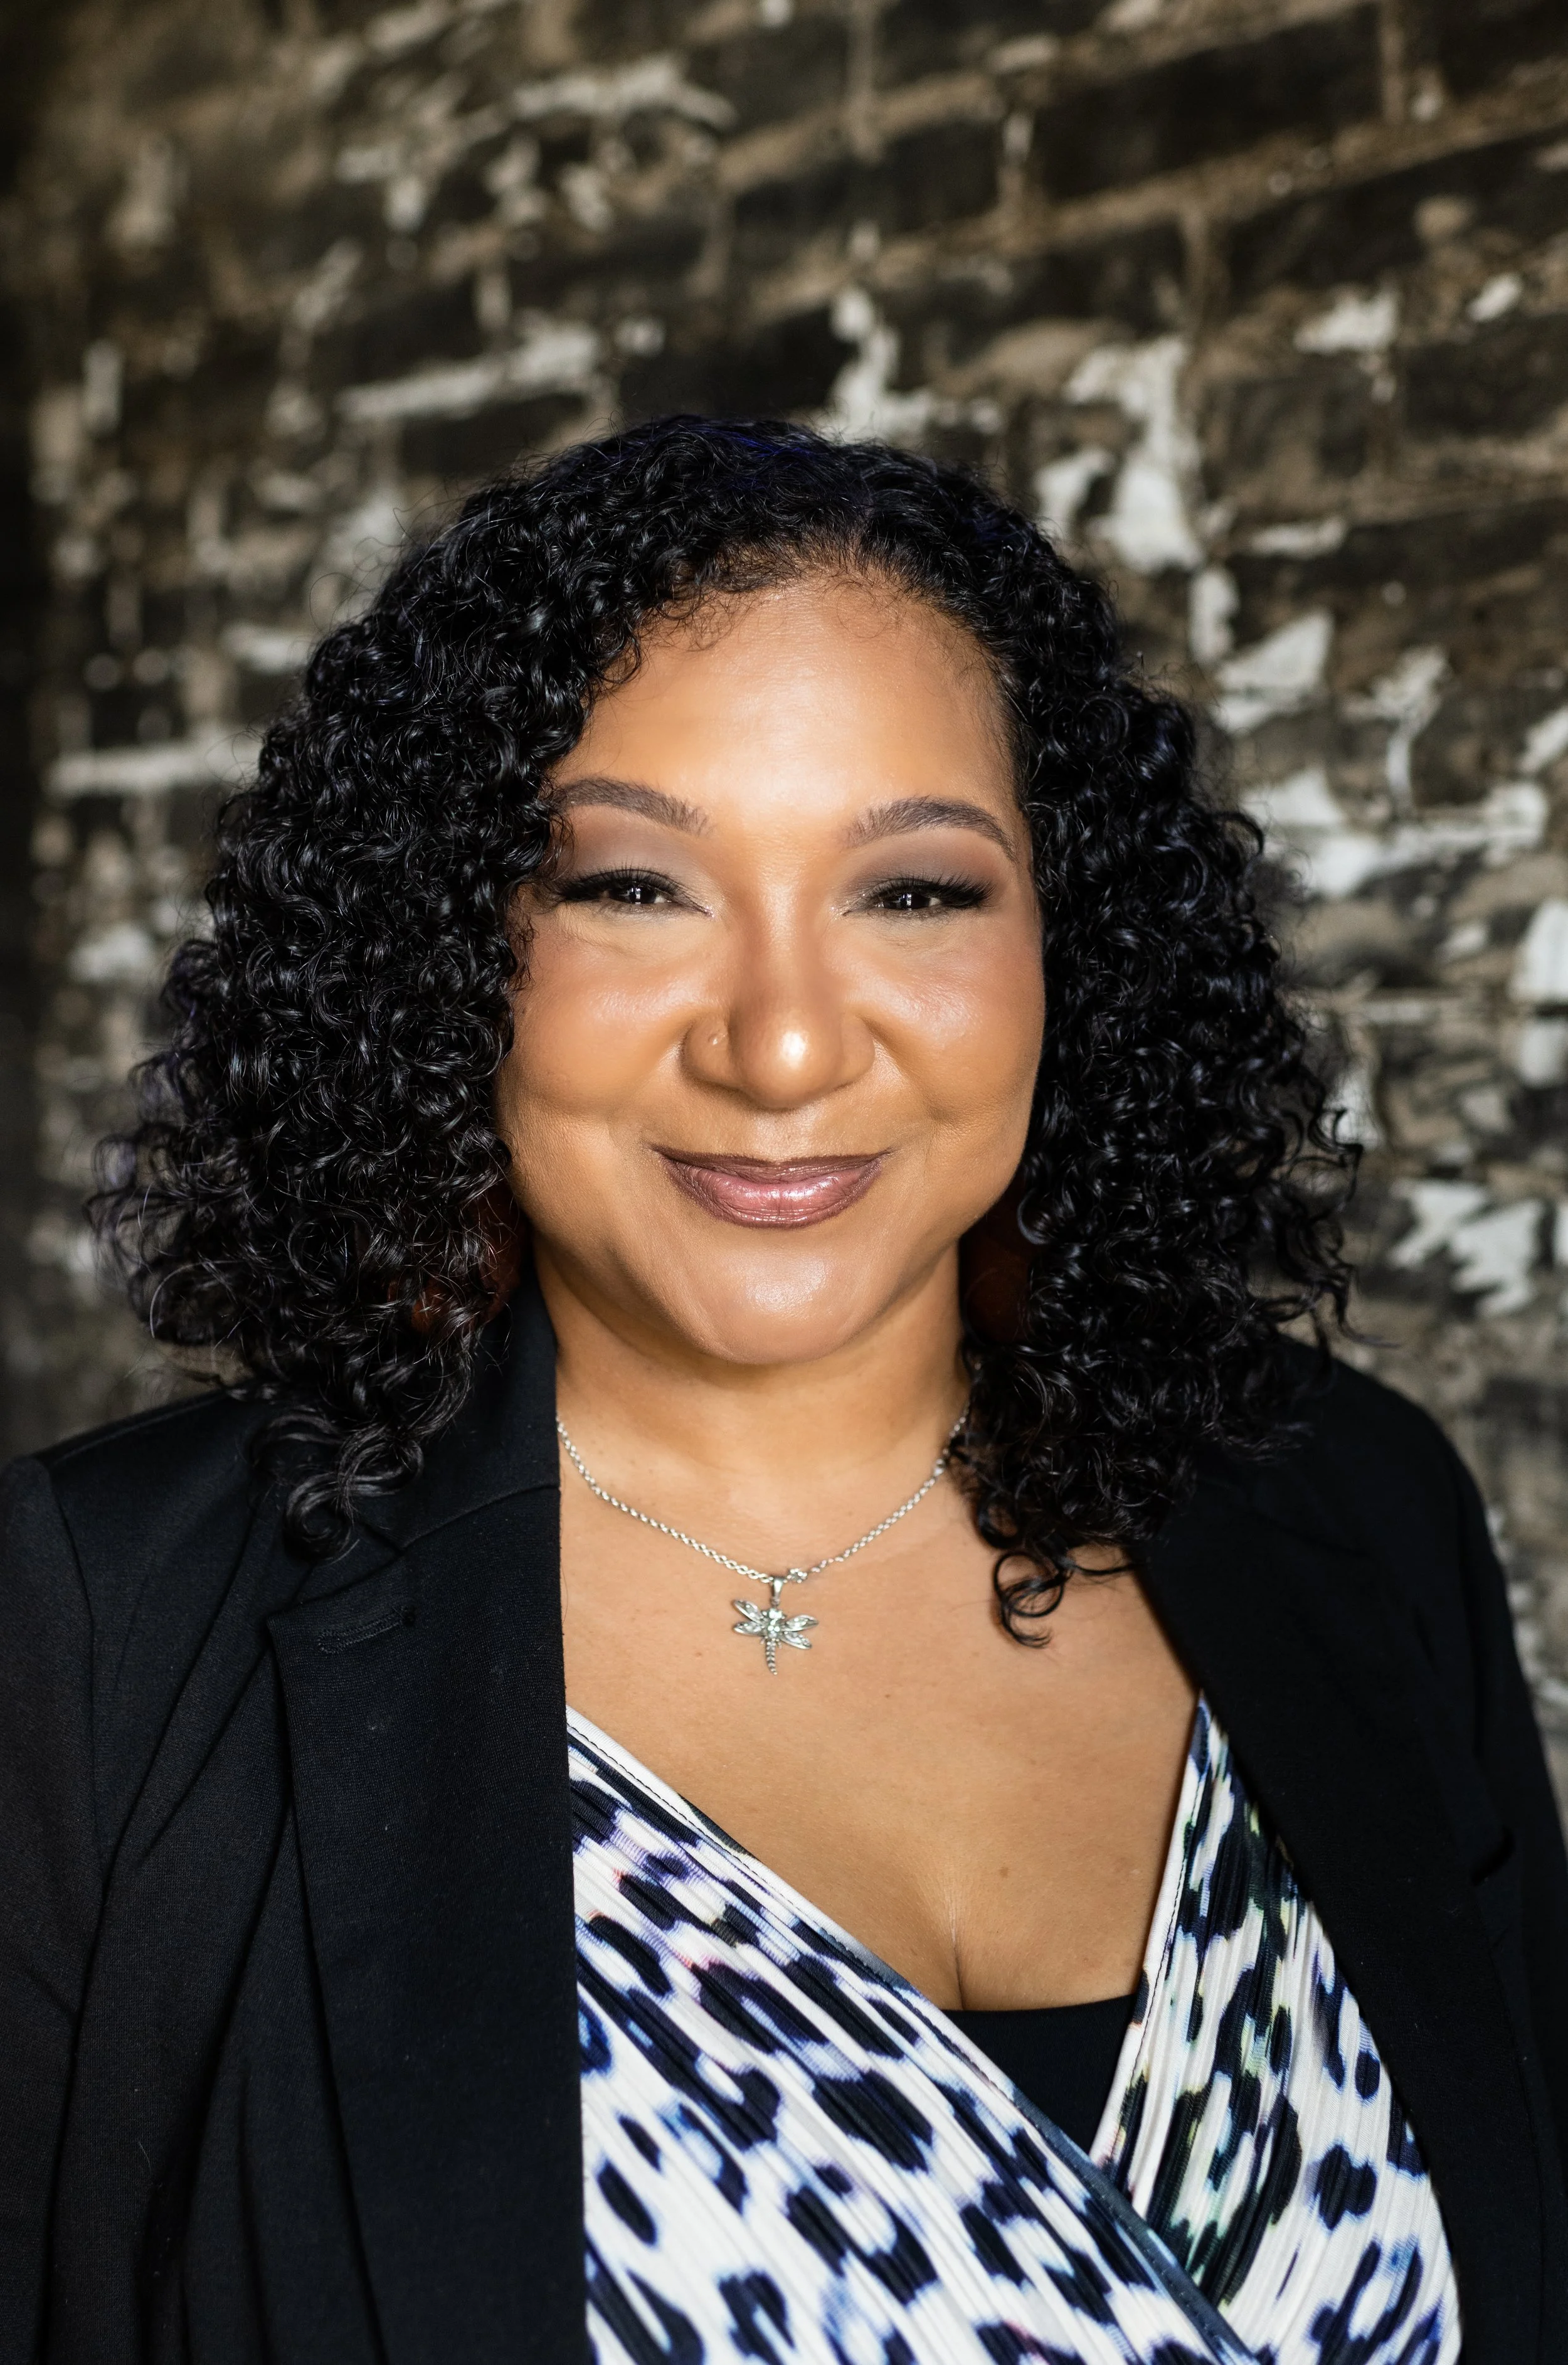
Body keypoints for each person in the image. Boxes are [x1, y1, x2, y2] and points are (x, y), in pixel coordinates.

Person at [3, 417, 1564, 2365]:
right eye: (635, 889)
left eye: (913, 892)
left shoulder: (1353, 1503)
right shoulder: (84, 1628)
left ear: (1063, 944)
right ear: (449, 945)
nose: (785, 1044)